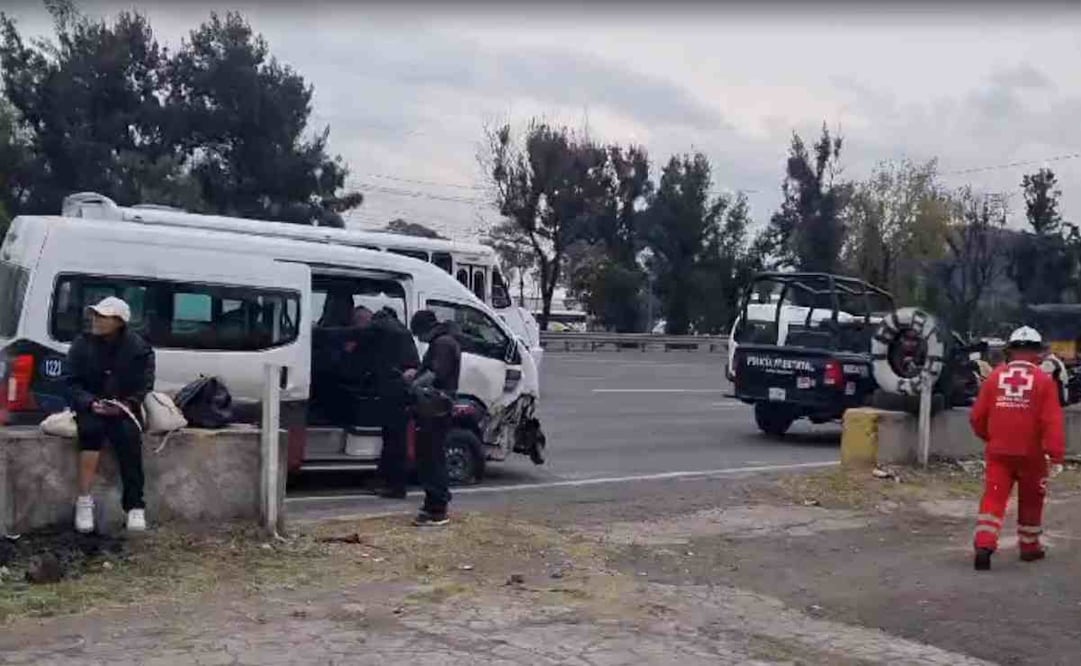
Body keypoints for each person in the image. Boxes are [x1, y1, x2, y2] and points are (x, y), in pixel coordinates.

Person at [969, 325, 1065, 571]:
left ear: (1009, 351)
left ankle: (984, 544)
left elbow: (977, 417)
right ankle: (1029, 546)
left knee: (993, 497)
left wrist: (990, 438)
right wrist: (1056, 454)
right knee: (1032, 500)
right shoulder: (1044, 382)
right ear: (1038, 352)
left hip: (999, 452)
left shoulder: (994, 377)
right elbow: (1051, 421)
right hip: (1031, 455)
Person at [64, 297, 156, 533]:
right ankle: (84, 501)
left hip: (123, 408)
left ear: (118, 321)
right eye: (94, 315)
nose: (95, 320)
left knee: (128, 436)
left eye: (102, 316)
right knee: (91, 431)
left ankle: (135, 506)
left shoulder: (139, 348)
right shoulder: (81, 344)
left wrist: (125, 404)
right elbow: (70, 382)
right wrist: (89, 402)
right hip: (90, 406)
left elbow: (144, 385)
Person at [408, 309, 461, 527]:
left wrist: (414, 383)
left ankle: (437, 508)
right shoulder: (446, 341)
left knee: (431, 457)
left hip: (435, 409)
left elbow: (436, 373)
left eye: (418, 333)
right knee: (430, 456)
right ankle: (433, 503)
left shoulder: (442, 344)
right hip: (437, 408)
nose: (418, 339)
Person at [368, 307, 420, 499]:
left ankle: (396, 486)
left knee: (394, 442)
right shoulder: (401, 333)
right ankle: (386, 481)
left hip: (395, 394)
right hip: (400, 395)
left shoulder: (388, 329)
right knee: (393, 440)